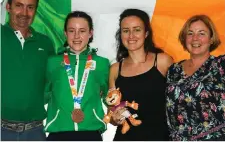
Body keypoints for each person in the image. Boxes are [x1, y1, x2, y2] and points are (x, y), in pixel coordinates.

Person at [108, 8, 173, 141]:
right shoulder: (115, 69)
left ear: (146, 33)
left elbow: (180, 102)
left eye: (137, 30)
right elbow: (112, 112)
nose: (131, 35)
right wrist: (115, 118)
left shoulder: (163, 61)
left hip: (161, 137)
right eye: (126, 31)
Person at [45, 11, 110, 141]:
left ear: (90, 33)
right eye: (71, 30)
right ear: (65, 33)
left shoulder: (102, 63)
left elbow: (109, 97)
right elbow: (43, 94)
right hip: (58, 132)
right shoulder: (52, 62)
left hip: (91, 132)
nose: (76, 36)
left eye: (82, 31)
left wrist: (116, 113)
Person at [1, 0, 55, 140]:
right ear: (8, 7)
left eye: (30, 7)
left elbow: (58, 79)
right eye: (19, 5)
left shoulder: (45, 43)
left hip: (35, 132)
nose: (24, 13)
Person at [166, 14, 225, 141]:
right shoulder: (173, 70)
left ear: (211, 38)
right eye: (190, 33)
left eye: (201, 33)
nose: (195, 38)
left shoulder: (221, 64)